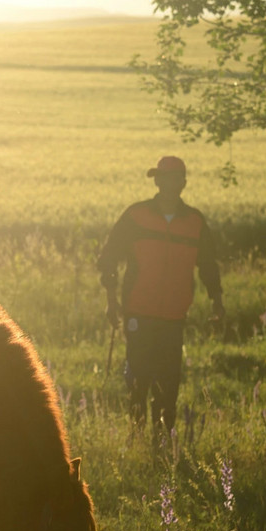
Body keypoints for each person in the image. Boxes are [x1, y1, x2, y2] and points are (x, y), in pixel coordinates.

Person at [97, 156, 225, 442]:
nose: (168, 183)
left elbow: (208, 265)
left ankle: (163, 439)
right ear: (156, 181)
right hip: (138, 312)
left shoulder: (195, 221)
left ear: (183, 183)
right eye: (163, 178)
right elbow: (109, 257)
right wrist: (111, 298)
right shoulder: (136, 215)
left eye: (174, 178)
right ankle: (136, 432)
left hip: (174, 315)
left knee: (169, 380)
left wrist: (217, 300)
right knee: (139, 376)